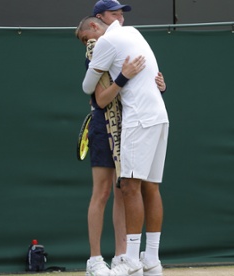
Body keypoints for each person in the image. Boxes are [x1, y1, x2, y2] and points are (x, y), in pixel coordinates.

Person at [77, 15, 169, 276]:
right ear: (99, 20)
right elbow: (99, 98)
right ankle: (96, 260)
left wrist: (158, 84)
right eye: (114, 13)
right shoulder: (99, 49)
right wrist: (123, 78)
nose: (120, 17)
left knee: (127, 189)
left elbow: (147, 79)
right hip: (104, 127)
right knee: (105, 191)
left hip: (131, 124)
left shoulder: (122, 40)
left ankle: (125, 258)